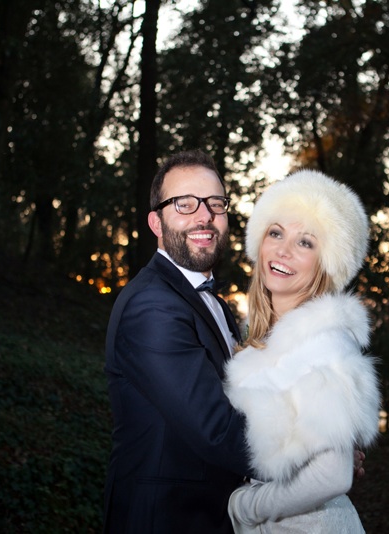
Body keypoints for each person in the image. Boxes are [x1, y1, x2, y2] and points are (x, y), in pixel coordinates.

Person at [103, 149, 255, 532]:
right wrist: (317, 457)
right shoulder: (152, 305)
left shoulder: (216, 304)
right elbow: (217, 430)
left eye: (215, 203)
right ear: (156, 222)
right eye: (184, 204)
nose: (204, 216)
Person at [224, 169, 381, 533]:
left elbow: (333, 475)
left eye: (305, 242)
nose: (283, 249)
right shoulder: (267, 339)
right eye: (276, 232)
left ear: (325, 265)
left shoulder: (323, 341)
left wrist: (245, 506)